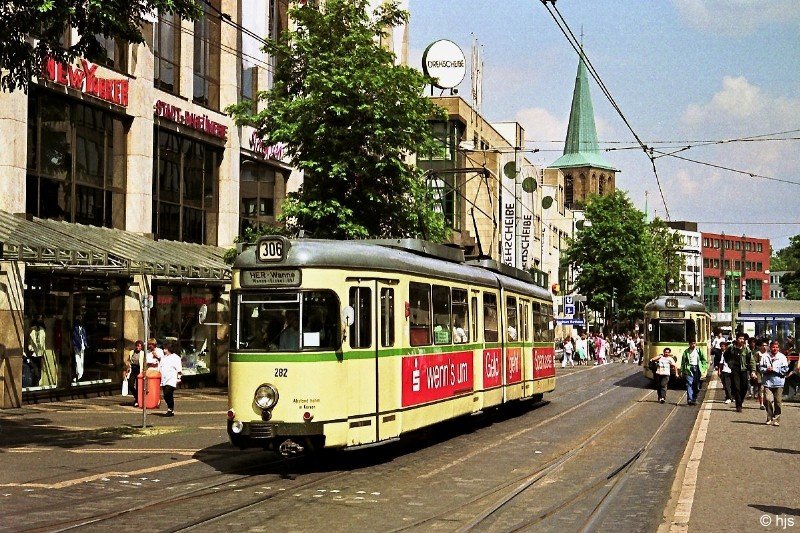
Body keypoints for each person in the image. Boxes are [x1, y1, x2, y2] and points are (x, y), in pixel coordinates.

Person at [723, 332, 756, 412]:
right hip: (735, 370)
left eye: (743, 339)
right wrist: (730, 364)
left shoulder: (746, 349)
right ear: (737, 339)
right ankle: (738, 405)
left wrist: (753, 371)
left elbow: (751, 360)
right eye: (740, 338)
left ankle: (740, 401)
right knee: (736, 387)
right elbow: (725, 356)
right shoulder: (731, 347)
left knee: (744, 387)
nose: (742, 340)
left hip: (744, 369)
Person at [759, 340, 789, 426]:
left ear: (778, 348)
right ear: (770, 347)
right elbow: (760, 368)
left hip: (779, 382)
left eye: (776, 347)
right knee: (768, 400)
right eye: (773, 347)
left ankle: (777, 419)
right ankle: (769, 417)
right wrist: (766, 370)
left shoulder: (782, 357)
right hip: (768, 382)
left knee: (778, 402)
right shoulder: (765, 356)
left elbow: (785, 370)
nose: (775, 349)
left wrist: (775, 369)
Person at [681, 339, 708, 406]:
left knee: (696, 385)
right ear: (689, 344)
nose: (693, 345)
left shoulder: (698, 350)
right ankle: (690, 399)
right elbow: (683, 362)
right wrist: (682, 370)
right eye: (692, 343)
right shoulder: (686, 352)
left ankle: (694, 398)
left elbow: (704, 359)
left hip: (697, 368)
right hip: (689, 369)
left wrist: (704, 368)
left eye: (694, 343)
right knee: (689, 384)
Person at [160, 341, 182, 417]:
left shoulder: (176, 358)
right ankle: (170, 408)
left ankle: (170, 409)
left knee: (168, 393)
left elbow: (179, 369)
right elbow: (161, 367)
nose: (164, 350)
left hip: (172, 379)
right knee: (165, 395)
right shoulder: (163, 358)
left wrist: (178, 378)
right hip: (164, 379)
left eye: (165, 348)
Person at [125, 340, 146, 407]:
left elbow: (144, 362)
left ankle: (138, 400)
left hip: (139, 369)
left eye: (139, 346)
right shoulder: (132, 352)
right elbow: (129, 361)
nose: (138, 347)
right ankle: (137, 397)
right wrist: (127, 368)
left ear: (142, 347)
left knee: (138, 386)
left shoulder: (143, 353)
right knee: (130, 384)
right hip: (133, 369)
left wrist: (144, 371)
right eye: (137, 346)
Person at [71, 316, 88, 381]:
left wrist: (85, 344)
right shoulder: (75, 328)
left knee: (81, 361)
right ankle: (78, 374)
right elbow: (75, 338)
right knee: (77, 360)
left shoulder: (82, 328)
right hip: (77, 346)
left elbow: (84, 336)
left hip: (82, 346)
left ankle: (80, 374)